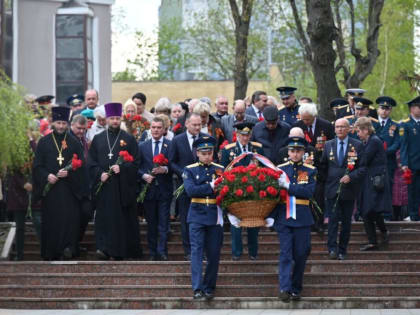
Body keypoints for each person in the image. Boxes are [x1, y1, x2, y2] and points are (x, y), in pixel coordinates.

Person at [32, 106, 87, 260]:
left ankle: (68, 249)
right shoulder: (43, 142)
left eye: (64, 123)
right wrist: (47, 176)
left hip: (70, 190)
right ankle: (51, 251)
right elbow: (37, 167)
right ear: (53, 123)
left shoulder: (74, 142)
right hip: (51, 192)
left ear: (68, 124)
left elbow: (81, 164)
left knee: (69, 220)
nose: (61, 126)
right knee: (52, 221)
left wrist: (69, 172)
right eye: (58, 123)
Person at [88, 102, 141, 260]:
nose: (115, 121)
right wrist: (100, 174)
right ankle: (104, 249)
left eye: (118, 118)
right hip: (105, 188)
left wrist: (123, 168)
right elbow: (90, 162)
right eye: (112, 118)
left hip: (122, 189)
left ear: (121, 119)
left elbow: (136, 162)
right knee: (105, 219)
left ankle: (121, 250)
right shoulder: (97, 139)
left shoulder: (129, 139)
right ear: (107, 119)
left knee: (121, 220)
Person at [275, 136, 316, 302]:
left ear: (303, 152)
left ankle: (296, 288)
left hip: (303, 218)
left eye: (298, 151)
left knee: (300, 254)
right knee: (286, 254)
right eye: (292, 151)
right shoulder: (280, 169)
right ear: (288, 152)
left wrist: (288, 187)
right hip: (284, 217)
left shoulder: (310, 170)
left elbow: (308, 192)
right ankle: (284, 288)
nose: (295, 154)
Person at [182, 136, 224, 300]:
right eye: (203, 153)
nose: (207, 156)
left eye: (210, 152)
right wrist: (211, 186)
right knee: (197, 252)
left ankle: (209, 287)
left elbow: (225, 190)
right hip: (197, 215)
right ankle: (197, 288)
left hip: (215, 214)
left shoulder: (220, 168)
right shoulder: (190, 170)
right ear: (197, 153)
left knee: (214, 254)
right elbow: (191, 191)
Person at [319, 118, 366, 260]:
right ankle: (332, 248)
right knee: (332, 220)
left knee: (346, 222)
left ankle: (342, 250)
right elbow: (323, 166)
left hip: (349, 189)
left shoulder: (357, 145)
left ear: (349, 129)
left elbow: (363, 167)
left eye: (342, 127)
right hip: (332, 188)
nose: (339, 129)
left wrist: (351, 177)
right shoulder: (328, 145)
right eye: (337, 127)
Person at [220, 122, 264, 261]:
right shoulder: (229, 150)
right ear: (237, 135)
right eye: (242, 135)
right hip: (235, 192)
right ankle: (236, 252)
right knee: (236, 223)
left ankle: (253, 252)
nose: (245, 138)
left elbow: (264, 169)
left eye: (247, 135)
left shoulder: (257, 149)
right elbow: (224, 171)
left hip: (253, 192)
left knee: (253, 222)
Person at [168, 113, 208, 260]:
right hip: (184, 186)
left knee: (202, 219)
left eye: (199, 125)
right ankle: (188, 251)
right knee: (186, 219)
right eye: (194, 125)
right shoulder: (177, 140)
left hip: (203, 187)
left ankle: (202, 250)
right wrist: (184, 174)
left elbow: (213, 159)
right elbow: (171, 162)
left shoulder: (206, 139)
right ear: (187, 124)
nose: (197, 127)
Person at [354, 117, 391, 250]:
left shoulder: (374, 141)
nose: (357, 134)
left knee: (369, 209)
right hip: (369, 180)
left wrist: (353, 156)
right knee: (368, 210)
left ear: (365, 129)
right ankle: (377, 237)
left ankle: (379, 235)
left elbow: (364, 160)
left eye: (359, 131)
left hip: (374, 181)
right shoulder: (367, 141)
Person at [138, 116, 172, 261]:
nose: (156, 130)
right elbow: (136, 167)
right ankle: (152, 252)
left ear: (164, 129)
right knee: (151, 223)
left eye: (159, 127)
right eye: (153, 127)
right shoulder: (142, 146)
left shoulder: (170, 145)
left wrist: (165, 169)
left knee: (163, 223)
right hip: (149, 190)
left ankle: (162, 251)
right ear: (150, 129)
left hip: (164, 189)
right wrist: (144, 176)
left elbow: (174, 164)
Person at [374, 96, 400, 220]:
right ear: (378, 109)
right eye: (382, 108)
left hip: (388, 162)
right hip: (373, 162)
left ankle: (387, 214)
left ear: (390, 111)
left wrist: (385, 152)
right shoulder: (372, 123)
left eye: (387, 109)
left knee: (387, 188)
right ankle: (373, 213)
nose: (384, 111)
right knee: (372, 187)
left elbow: (396, 143)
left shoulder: (395, 125)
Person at [400, 96, 420, 221]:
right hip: (412, 163)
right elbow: (404, 146)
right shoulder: (405, 125)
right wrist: (404, 163)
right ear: (412, 108)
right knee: (412, 191)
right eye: (418, 107)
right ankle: (413, 215)